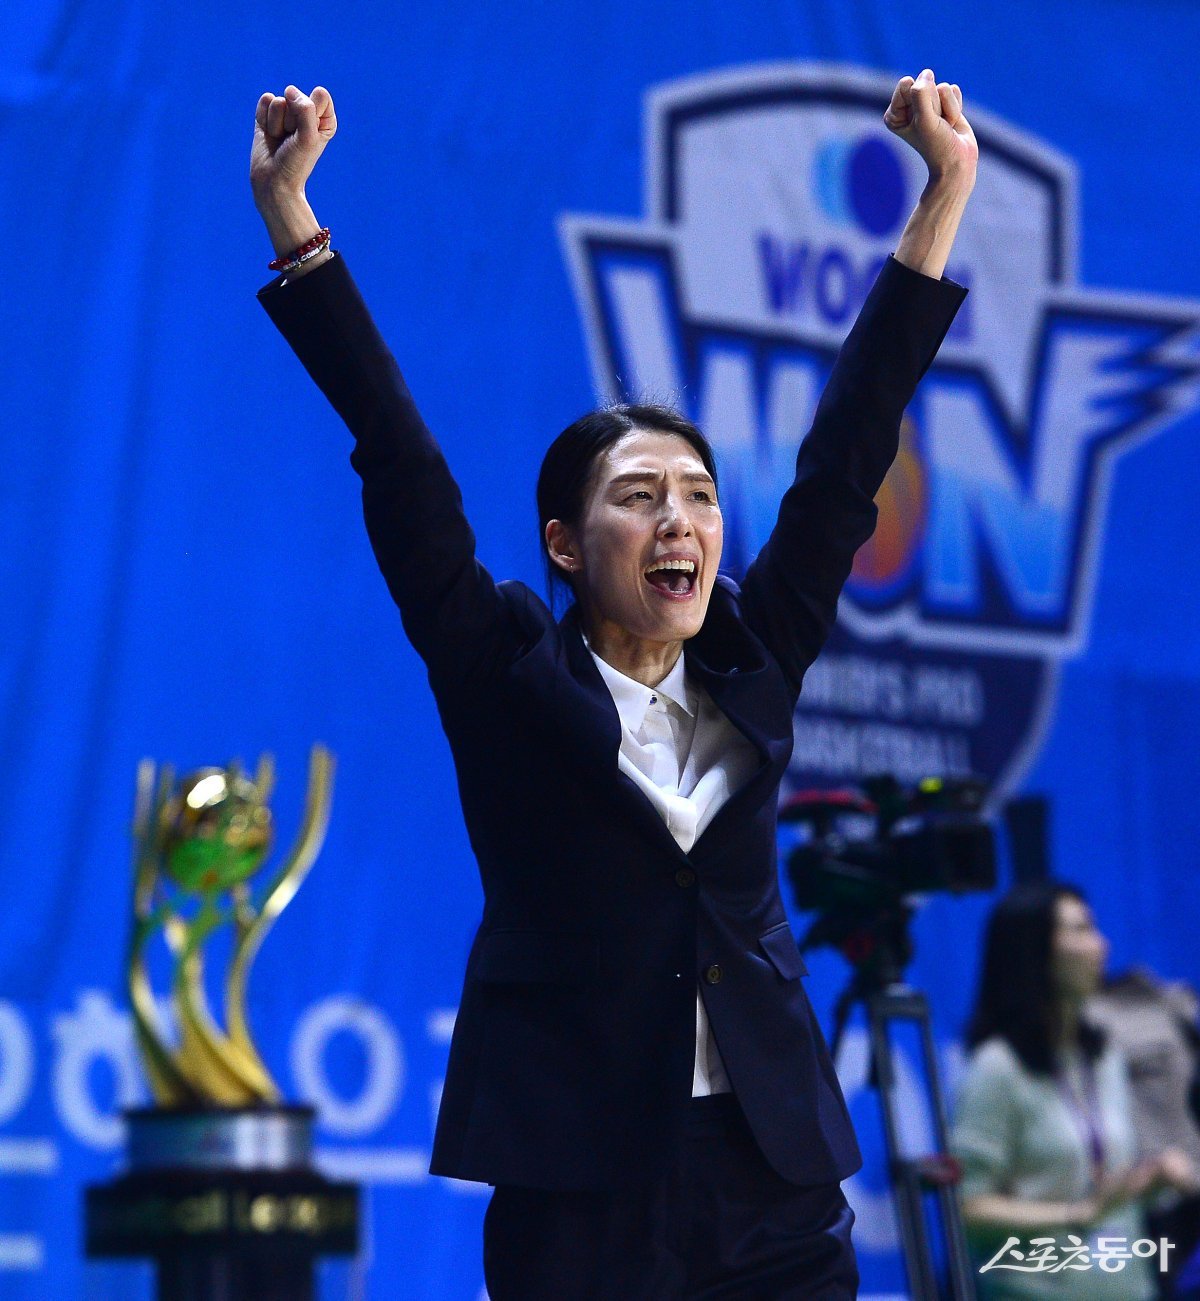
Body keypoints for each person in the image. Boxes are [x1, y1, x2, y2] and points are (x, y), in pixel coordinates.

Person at [251, 69, 974, 1299]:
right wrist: (294, 226)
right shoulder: (505, 673)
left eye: (698, 494)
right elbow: (401, 461)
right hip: (580, 1184)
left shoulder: (755, 654)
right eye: (639, 497)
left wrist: (943, 195)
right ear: (566, 544)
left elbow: (850, 452)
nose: (679, 518)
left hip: (771, 1175)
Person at [953, 882, 1200, 1300]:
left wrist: (1146, 1182)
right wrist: (1076, 1214)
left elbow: (1099, 1188)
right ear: (1034, 952)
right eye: (1081, 930)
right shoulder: (997, 1069)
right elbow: (967, 1210)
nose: (1101, 945)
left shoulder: (1103, 1059)